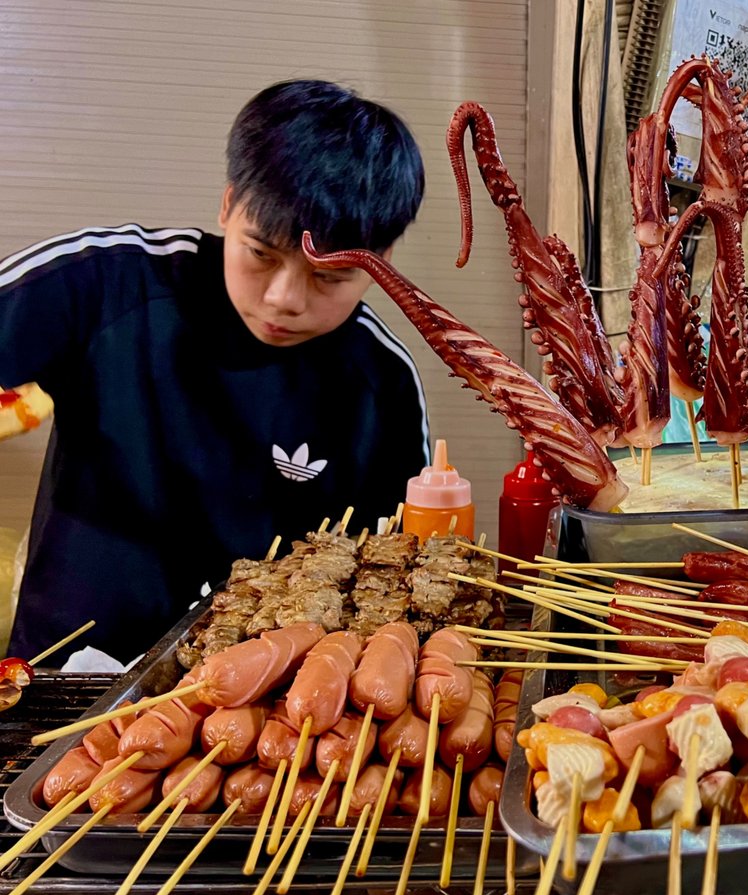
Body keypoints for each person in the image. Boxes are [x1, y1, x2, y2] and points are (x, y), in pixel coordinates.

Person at [0, 80, 431, 664]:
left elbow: (401, 576)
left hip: (264, 708)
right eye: (261, 254)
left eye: (328, 278)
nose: (284, 299)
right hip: (64, 678)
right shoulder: (108, 283)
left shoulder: (381, 384)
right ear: (228, 206)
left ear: (380, 263)